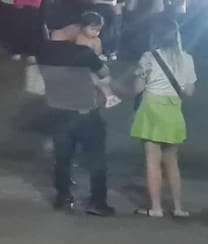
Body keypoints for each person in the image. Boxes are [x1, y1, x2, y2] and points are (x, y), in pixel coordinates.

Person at [36, 12, 115, 217]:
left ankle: (63, 196)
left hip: (57, 109)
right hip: (84, 110)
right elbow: (104, 72)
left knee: (62, 157)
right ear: (71, 27)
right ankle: (97, 201)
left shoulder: (42, 51)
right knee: (96, 157)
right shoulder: (82, 52)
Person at [131, 18, 196, 218]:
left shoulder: (149, 57)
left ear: (155, 36)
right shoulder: (186, 59)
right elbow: (189, 92)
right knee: (172, 162)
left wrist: (141, 78)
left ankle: (156, 208)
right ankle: (177, 208)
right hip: (173, 110)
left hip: (151, 108)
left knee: (153, 162)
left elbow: (138, 89)